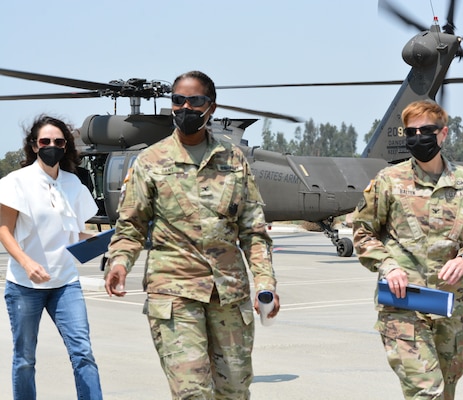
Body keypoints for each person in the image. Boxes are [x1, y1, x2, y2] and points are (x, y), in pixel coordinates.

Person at [104, 70, 280, 399]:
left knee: (234, 391)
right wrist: (119, 262)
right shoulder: (150, 161)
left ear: (211, 107)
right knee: (193, 393)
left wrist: (266, 282)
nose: (185, 107)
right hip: (174, 294)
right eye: (177, 100)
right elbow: (132, 224)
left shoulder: (233, 160)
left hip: (229, 294)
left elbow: (253, 230)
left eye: (195, 100)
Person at [352, 100, 463, 400]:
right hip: (402, 302)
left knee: (446, 390)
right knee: (426, 391)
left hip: (450, 304)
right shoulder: (388, 181)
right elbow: (362, 231)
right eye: (411, 132)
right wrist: (388, 265)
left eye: (426, 130)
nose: (418, 137)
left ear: (443, 134)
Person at [0, 115, 103, 400]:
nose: (52, 146)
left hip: (66, 283)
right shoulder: (15, 182)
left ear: (66, 145)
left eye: (58, 141)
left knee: (83, 353)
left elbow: (74, 234)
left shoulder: (73, 184)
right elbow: (4, 230)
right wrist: (26, 262)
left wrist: (104, 240)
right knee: (25, 360)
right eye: (45, 141)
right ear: (34, 145)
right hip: (24, 286)